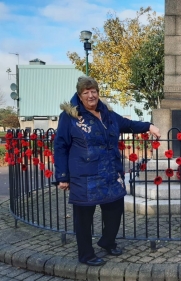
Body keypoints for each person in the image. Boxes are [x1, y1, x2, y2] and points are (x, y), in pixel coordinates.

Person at [54, 76, 161, 266]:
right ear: (79, 95)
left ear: (98, 93)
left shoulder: (108, 114)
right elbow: (60, 145)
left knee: (115, 210)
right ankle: (86, 254)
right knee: (84, 218)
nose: (90, 95)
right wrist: (62, 175)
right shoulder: (70, 116)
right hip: (84, 175)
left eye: (93, 91)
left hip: (110, 173)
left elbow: (128, 125)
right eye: (86, 92)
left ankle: (107, 241)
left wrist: (149, 126)